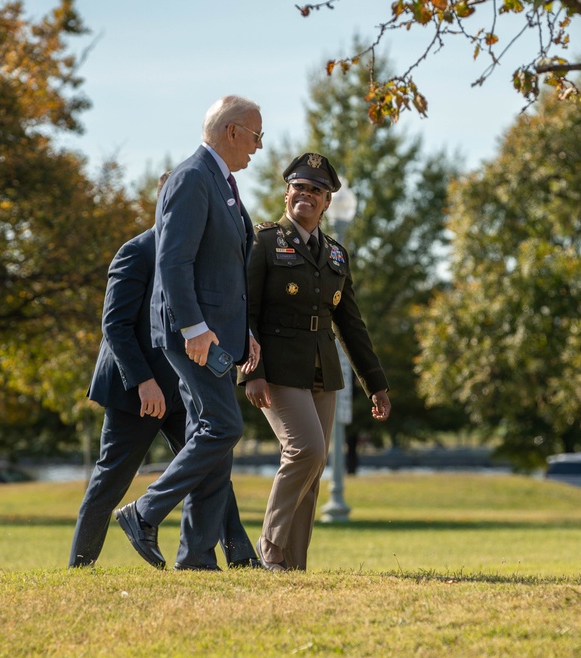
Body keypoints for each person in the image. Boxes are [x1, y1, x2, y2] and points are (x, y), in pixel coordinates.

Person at [69, 174, 259, 568]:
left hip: (185, 385)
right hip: (135, 392)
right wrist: (144, 383)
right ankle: (79, 567)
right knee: (110, 482)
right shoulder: (136, 252)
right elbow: (116, 327)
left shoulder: (198, 255)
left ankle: (241, 557)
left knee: (212, 465)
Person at [114, 95, 262, 571]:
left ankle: (196, 557)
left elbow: (226, 267)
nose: (259, 147)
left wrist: (247, 332)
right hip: (193, 335)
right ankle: (144, 512)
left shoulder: (223, 184)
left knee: (209, 436)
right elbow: (172, 262)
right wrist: (195, 328)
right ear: (232, 131)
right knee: (224, 427)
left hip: (219, 335)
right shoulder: (191, 177)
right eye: (256, 136)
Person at [240, 152, 391, 571]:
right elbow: (245, 311)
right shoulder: (264, 241)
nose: (306, 195)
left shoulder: (337, 255)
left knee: (314, 465)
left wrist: (375, 383)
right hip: (277, 367)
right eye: (299, 187)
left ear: (327, 202)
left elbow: (351, 324)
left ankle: (292, 565)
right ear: (287, 193)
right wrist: (251, 372)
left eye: (316, 190)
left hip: (323, 369)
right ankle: (269, 546)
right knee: (305, 450)